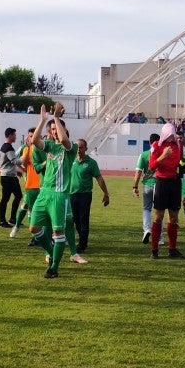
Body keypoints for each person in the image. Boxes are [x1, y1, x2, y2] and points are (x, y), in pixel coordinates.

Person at [28, 103, 76, 278]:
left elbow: (64, 140)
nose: (55, 131)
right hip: (44, 193)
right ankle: (51, 250)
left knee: (58, 232)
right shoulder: (49, 146)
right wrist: (43, 120)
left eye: (58, 128)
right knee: (33, 228)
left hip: (59, 195)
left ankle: (54, 267)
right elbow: (34, 141)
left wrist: (56, 117)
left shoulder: (71, 148)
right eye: (53, 129)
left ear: (63, 128)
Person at [148, 123, 184, 258]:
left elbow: (180, 164)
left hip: (174, 183)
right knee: (158, 217)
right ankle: (154, 250)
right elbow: (151, 166)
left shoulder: (178, 146)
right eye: (167, 135)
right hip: (161, 182)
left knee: (173, 218)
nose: (170, 138)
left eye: (172, 135)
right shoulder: (156, 145)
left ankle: (172, 250)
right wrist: (163, 156)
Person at [69, 138, 110, 258]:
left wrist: (106, 193)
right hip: (71, 195)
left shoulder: (91, 163)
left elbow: (99, 179)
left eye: (81, 147)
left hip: (84, 195)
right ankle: (81, 240)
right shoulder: (71, 160)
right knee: (74, 219)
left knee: (83, 219)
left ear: (86, 149)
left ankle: (82, 244)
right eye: (77, 147)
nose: (79, 150)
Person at [10, 127, 40, 239]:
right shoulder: (24, 148)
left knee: (30, 206)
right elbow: (17, 160)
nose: (33, 138)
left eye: (35, 136)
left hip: (43, 183)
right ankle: (18, 227)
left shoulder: (43, 147)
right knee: (28, 206)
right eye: (31, 136)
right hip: (31, 183)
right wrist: (22, 170)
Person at [132, 134, 159, 244]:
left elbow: (138, 172)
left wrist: (135, 186)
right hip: (160, 185)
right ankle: (159, 238)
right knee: (159, 211)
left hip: (148, 184)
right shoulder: (162, 154)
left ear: (149, 142)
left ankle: (147, 229)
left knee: (146, 209)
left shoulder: (144, 155)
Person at [0, 127, 22, 229]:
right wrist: (25, 158)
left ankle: (12, 219)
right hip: (8, 177)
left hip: (9, 176)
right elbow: (15, 161)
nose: (16, 137)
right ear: (10, 135)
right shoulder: (8, 147)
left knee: (17, 196)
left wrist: (16, 172)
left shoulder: (5, 146)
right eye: (15, 135)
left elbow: (11, 162)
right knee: (6, 199)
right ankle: (2, 221)